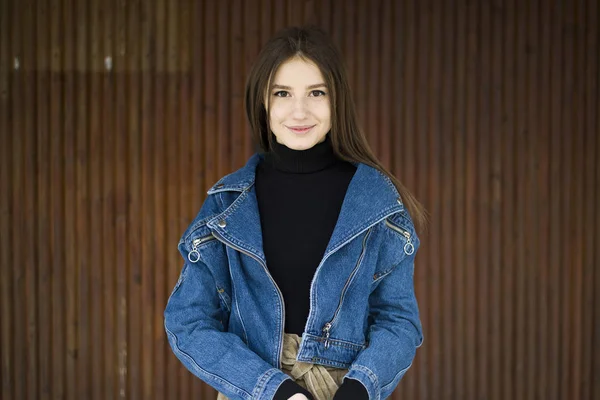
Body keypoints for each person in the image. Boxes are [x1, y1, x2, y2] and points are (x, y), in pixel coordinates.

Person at [164, 26, 426, 400]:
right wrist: (273, 389)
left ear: (337, 101)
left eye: (316, 93)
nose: (299, 110)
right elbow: (187, 321)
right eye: (282, 93)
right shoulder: (226, 205)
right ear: (263, 103)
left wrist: (360, 387)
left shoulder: (377, 202)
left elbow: (398, 321)